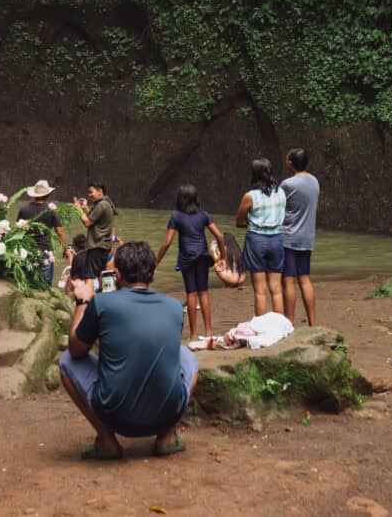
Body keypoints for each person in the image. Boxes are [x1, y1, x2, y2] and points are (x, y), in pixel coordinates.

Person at [59, 241, 199, 460]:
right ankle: (167, 436)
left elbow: (76, 351)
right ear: (153, 273)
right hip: (165, 414)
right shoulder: (174, 306)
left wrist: (83, 300)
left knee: (66, 362)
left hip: (116, 416)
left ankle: (107, 441)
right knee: (187, 356)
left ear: (116, 275)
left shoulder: (102, 303)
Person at [154, 184, 227, 339]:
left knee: (191, 294)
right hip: (202, 256)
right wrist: (223, 259)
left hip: (186, 257)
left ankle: (193, 334)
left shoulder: (176, 216)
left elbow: (167, 242)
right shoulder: (204, 215)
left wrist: (156, 262)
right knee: (204, 292)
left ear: (180, 199)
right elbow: (220, 236)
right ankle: (209, 332)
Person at [235, 158, 287, 316]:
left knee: (260, 291)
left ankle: (261, 327)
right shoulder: (281, 192)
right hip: (277, 239)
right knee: (276, 289)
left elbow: (239, 221)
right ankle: (279, 326)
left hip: (256, 240)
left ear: (254, 174)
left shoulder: (250, 196)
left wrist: (249, 223)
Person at [281, 147, 319, 326]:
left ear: (290, 163)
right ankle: (312, 322)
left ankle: (289, 322)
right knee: (304, 278)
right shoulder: (315, 182)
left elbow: (278, 207)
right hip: (307, 237)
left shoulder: (288, 184)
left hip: (288, 237)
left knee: (288, 280)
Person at [16, 179, 68, 286]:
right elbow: (60, 232)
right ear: (48, 194)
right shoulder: (51, 211)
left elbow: (18, 230)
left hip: (27, 251)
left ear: (34, 194)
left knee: (28, 282)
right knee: (45, 284)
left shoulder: (24, 209)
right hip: (45, 251)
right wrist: (65, 248)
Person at [71, 183, 116, 282]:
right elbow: (95, 218)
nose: (89, 195)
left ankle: (90, 296)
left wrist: (78, 210)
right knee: (101, 274)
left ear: (100, 192)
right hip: (104, 246)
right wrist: (85, 208)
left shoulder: (101, 205)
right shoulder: (106, 203)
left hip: (97, 245)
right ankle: (103, 295)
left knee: (90, 276)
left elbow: (87, 222)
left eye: (91, 192)